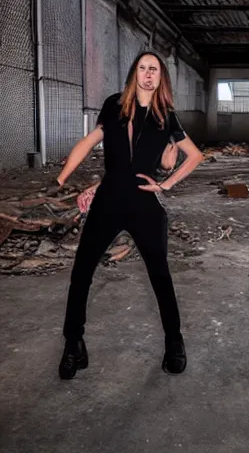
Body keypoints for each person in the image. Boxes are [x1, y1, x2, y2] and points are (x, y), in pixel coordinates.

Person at [56, 50, 204, 379]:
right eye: (142, 68)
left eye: (154, 69)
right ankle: (73, 344)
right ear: (134, 73)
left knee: (160, 276)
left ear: (160, 77)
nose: (148, 74)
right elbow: (89, 141)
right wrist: (62, 176)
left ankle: (174, 342)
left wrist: (165, 186)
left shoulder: (165, 115)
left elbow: (194, 156)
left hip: (143, 203)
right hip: (108, 200)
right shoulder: (113, 105)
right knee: (81, 272)